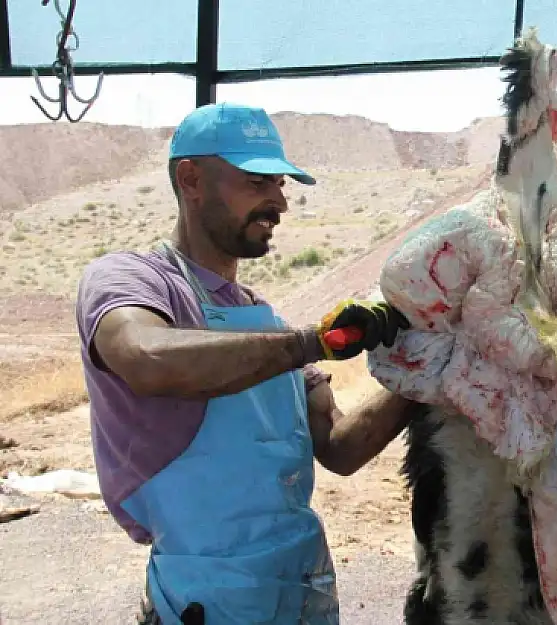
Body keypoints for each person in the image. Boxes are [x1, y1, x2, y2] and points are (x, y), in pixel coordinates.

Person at [74, 102, 414, 625]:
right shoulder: (131, 281)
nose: (279, 201)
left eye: (280, 183)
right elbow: (146, 357)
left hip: (303, 589)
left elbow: (341, 450)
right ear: (190, 179)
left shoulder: (266, 324)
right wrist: (310, 344)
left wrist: (425, 374)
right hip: (205, 602)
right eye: (257, 181)